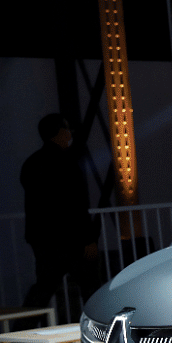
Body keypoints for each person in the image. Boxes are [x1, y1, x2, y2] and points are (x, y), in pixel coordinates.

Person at [20, 114, 100, 313]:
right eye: (66, 129)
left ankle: (19, 337)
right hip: (70, 238)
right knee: (91, 286)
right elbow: (76, 205)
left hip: (43, 238)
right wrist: (88, 239)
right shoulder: (68, 162)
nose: (69, 133)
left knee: (44, 287)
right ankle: (101, 332)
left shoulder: (31, 163)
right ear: (60, 132)